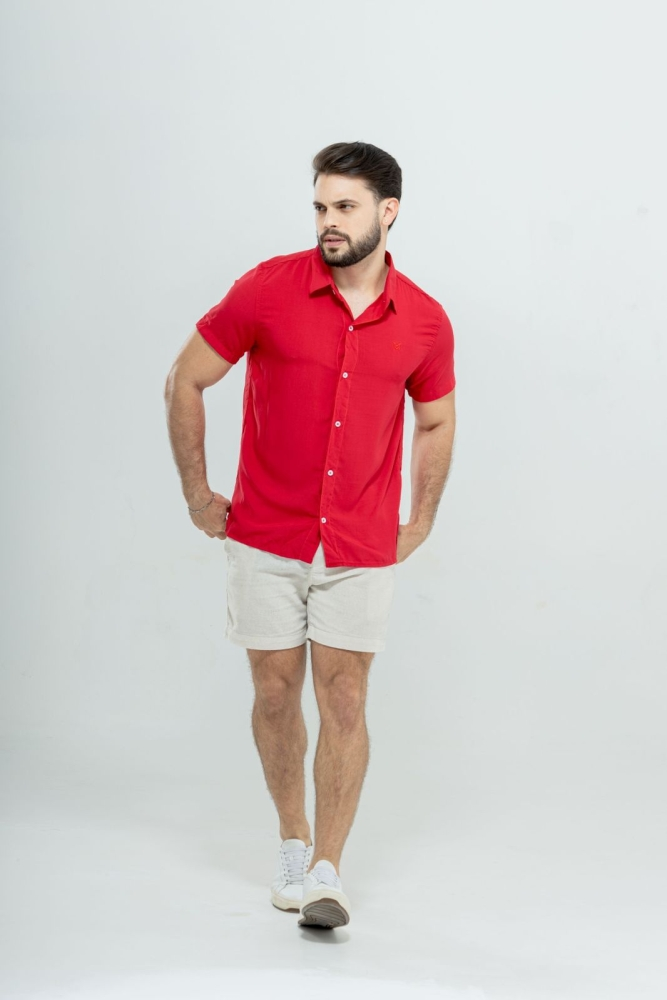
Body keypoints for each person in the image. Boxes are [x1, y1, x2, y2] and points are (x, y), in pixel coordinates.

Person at [164, 141, 456, 930]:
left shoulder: (424, 320)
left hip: (358, 543)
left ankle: (328, 869)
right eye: (321, 207)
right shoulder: (267, 288)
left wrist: (421, 518)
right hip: (266, 534)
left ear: (387, 213)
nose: (328, 222)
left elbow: (435, 420)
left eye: (345, 208)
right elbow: (185, 378)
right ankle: (291, 843)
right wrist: (197, 495)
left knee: (346, 696)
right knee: (272, 691)